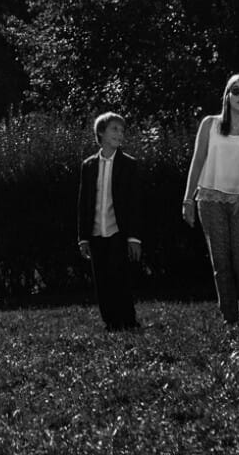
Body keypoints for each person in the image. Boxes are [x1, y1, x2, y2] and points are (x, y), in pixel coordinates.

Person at [182, 74, 239, 325]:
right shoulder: (209, 124)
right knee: (221, 262)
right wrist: (188, 199)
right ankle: (230, 318)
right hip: (211, 199)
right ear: (227, 95)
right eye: (236, 91)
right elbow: (197, 161)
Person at [76, 112, 143, 330]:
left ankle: (128, 322)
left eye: (122, 130)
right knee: (102, 279)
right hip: (96, 232)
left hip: (118, 231)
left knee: (119, 277)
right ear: (101, 133)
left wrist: (134, 237)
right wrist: (83, 238)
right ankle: (110, 323)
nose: (119, 134)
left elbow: (134, 204)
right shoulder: (88, 165)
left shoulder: (129, 165)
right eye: (114, 129)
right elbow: (83, 203)